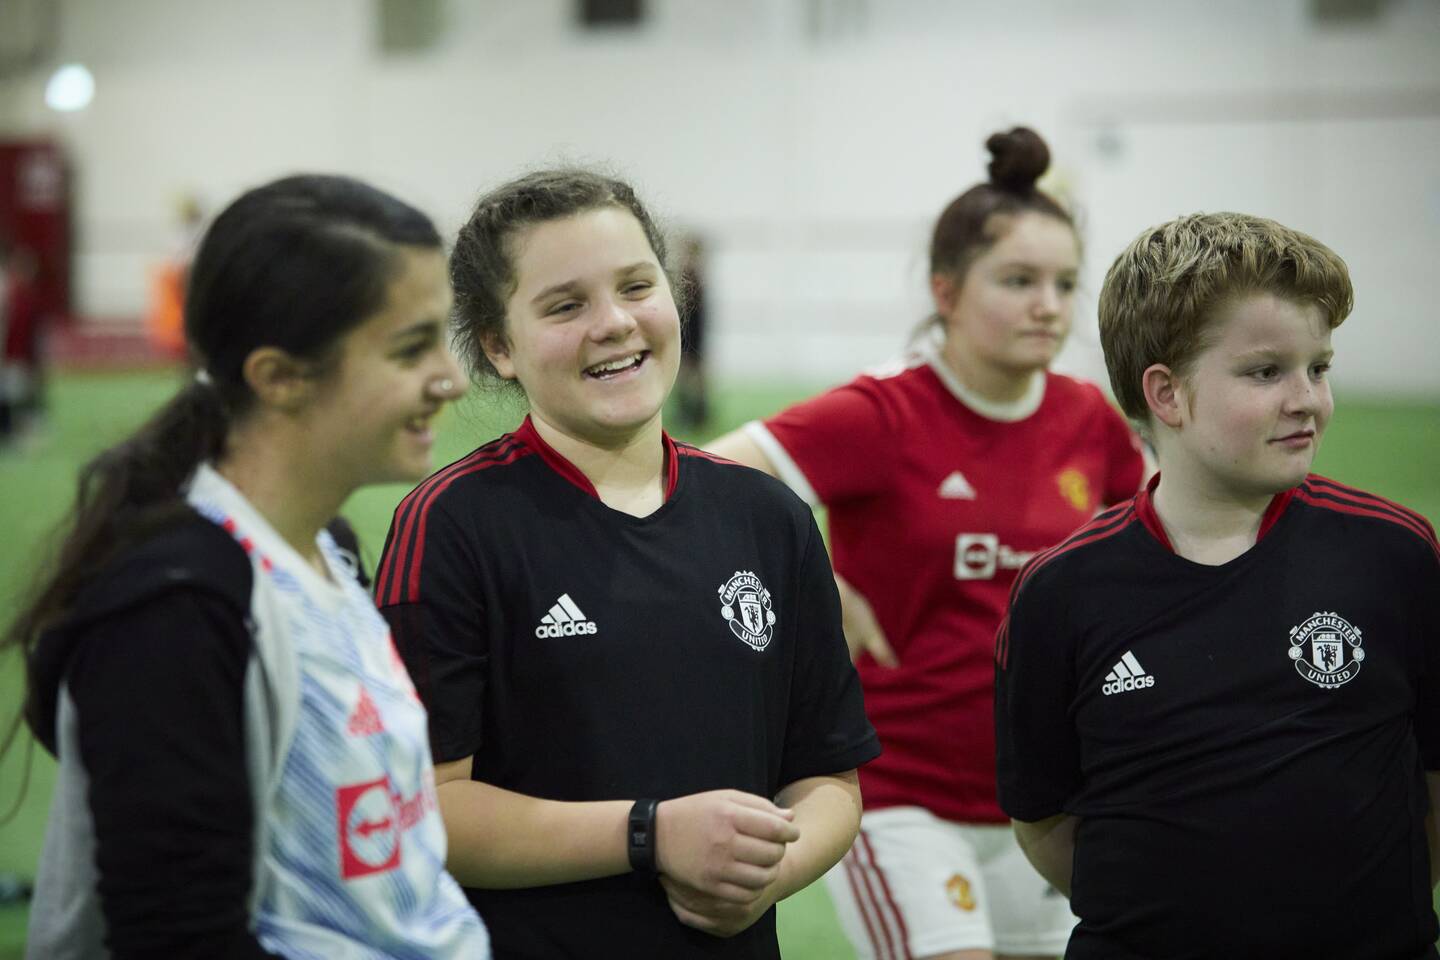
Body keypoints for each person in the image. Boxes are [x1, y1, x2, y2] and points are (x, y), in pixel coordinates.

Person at [374, 167, 880, 958]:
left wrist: (765, 874)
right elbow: (422, 809)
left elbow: (828, 782)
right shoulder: (451, 525)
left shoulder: (769, 518)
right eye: (565, 305)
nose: (613, 323)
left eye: (636, 286)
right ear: (500, 347)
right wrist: (649, 835)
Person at [12, 174, 490, 958]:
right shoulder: (178, 609)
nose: (451, 378)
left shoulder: (324, 548)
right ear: (279, 376)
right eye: (411, 348)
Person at [706, 127, 1145, 960]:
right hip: (899, 793)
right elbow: (700, 479)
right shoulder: (883, 411)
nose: (1047, 305)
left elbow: (1154, 544)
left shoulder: (1089, 418)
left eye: (1062, 283)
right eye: (1017, 281)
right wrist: (817, 585)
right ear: (946, 291)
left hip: (1044, 800)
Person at [995, 212, 1440, 959]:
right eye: (1267, 372)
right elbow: (1045, 820)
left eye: (1318, 367)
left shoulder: (1394, 554)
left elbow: (1432, 783)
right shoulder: (1062, 591)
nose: (1307, 399)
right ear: (1166, 395)